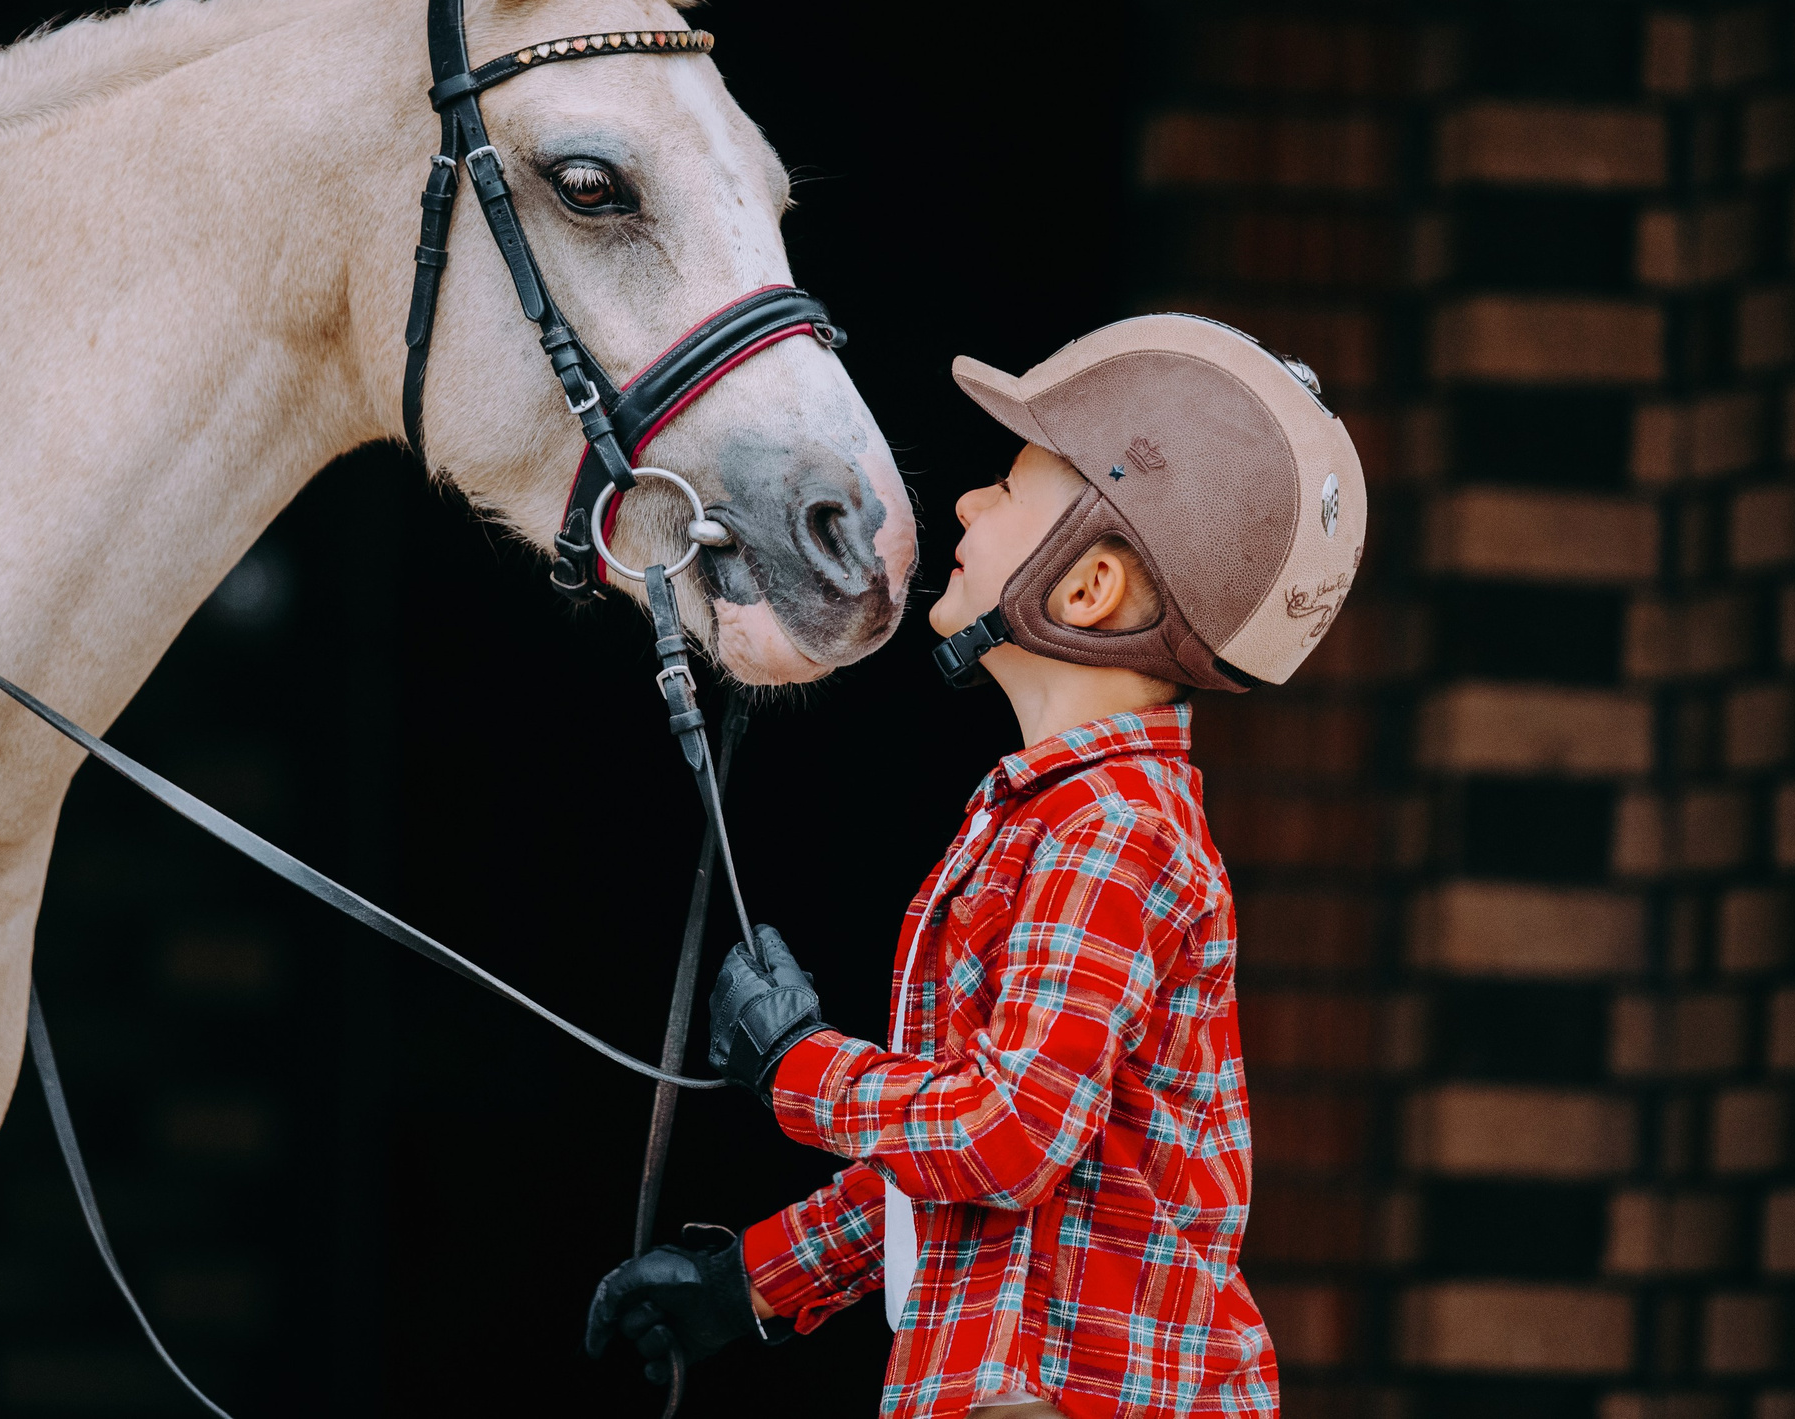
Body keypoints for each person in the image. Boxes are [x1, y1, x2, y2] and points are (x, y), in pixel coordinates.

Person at [584, 315, 1368, 1417]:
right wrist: (744, 1286)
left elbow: (1002, 1138)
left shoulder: (1112, 836)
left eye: (1008, 486)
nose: (965, 503)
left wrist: (800, 1068)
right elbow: (960, 1182)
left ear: (1086, 590)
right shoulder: (1052, 819)